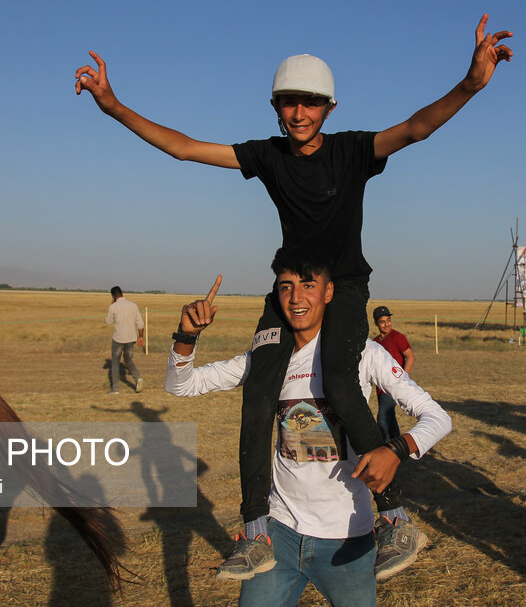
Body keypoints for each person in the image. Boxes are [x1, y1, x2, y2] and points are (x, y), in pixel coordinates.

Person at [76, 15, 509, 570]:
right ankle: (255, 531)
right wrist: (113, 105)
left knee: (341, 379)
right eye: (288, 103)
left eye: (311, 103)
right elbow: (184, 149)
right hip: (289, 287)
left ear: (330, 108)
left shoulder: (352, 152)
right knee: (258, 391)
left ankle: (396, 519)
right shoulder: (269, 156)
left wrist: (471, 83)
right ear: (276, 107)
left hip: (344, 286)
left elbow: (416, 128)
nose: (299, 114)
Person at [164, 248, 452, 603]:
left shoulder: (363, 354)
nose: (296, 297)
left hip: (348, 541)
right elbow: (182, 384)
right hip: (277, 536)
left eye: (308, 285)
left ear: (328, 292)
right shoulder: (269, 359)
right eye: (286, 287)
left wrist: (396, 450)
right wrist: (186, 335)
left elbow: (438, 417)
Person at [372, 305, 415, 442]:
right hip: (380, 387)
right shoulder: (376, 342)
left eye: (388, 320)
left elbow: (410, 357)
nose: (387, 324)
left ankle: (378, 450)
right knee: (390, 416)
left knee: (382, 418)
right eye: (382, 321)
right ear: (376, 323)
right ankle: (398, 446)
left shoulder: (398, 337)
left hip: (392, 386)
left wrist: (402, 379)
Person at [106, 286, 145, 394]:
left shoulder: (113, 307)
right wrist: (141, 336)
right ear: (122, 293)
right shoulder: (133, 305)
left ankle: (115, 388)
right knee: (128, 360)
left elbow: (108, 322)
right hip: (131, 338)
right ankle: (138, 378)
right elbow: (140, 323)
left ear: (113, 296)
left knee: (115, 362)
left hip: (118, 339)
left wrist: (111, 306)